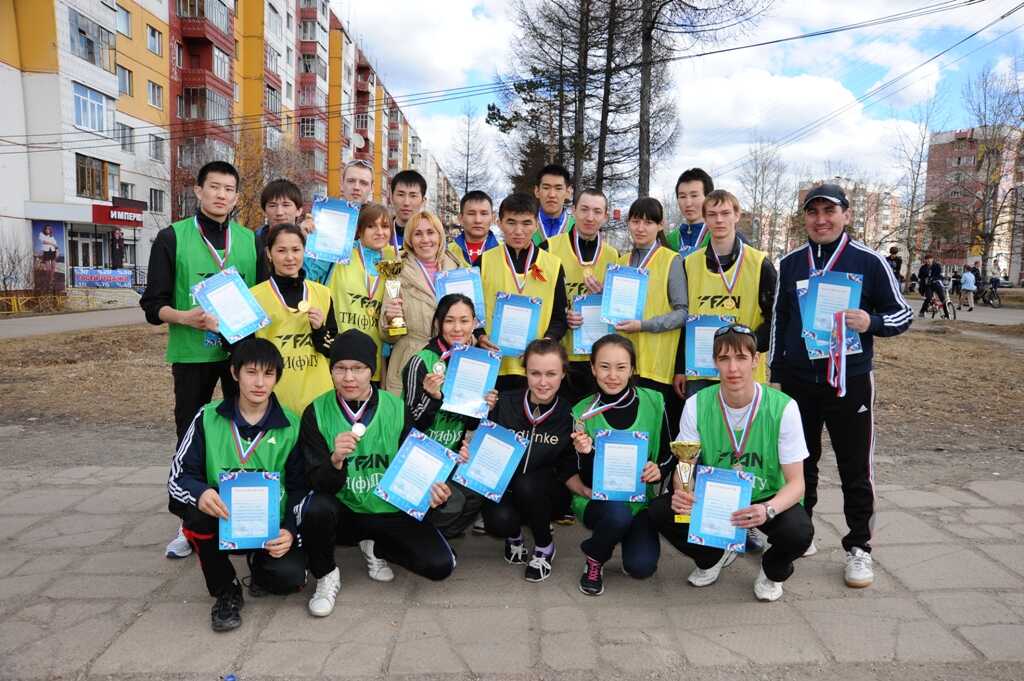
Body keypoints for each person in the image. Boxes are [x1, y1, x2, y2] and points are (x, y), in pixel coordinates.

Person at [769, 183, 912, 588]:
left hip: (850, 380)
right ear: (804, 218)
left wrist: (872, 322)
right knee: (799, 462)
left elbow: (902, 314)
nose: (821, 220)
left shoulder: (869, 261)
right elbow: (779, 321)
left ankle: (859, 547)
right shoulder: (790, 263)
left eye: (829, 211)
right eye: (813, 212)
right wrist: (776, 376)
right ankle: (800, 534)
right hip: (798, 381)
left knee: (855, 466)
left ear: (846, 215)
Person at [141, 160, 267, 559]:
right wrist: (185, 318)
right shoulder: (172, 237)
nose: (221, 195)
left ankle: (244, 517)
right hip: (192, 355)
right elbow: (152, 306)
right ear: (198, 190)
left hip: (239, 355)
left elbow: (264, 297)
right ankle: (189, 523)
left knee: (243, 434)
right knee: (190, 436)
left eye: (229, 189)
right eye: (214, 187)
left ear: (236, 196)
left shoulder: (248, 240)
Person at [298, 330, 457, 618]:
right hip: (345, 512)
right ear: (331, 370)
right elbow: (316, 483)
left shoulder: (395, 408)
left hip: (388, 508)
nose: (349, 377)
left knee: (440, 566)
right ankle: (326, 574)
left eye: (358, 368)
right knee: (315, 509)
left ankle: (377, 548)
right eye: (340, 368)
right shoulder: (316, 411)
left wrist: (433, 493)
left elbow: (415, 466)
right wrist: (335, 460)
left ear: (371, 370)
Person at [649, 324, 813, 601]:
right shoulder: (696, 404)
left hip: (765, 496)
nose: (733, 368)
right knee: (662, 511)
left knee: (798, 532)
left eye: (741, 358)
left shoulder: (784, 407)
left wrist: (767, 509)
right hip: (717, 497)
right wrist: (683, 490)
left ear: (755, 360)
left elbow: (797, 483)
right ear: (715, 363)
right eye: (724, 359)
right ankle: (713, 555)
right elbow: (686, 464)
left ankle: (772, 570)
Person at [167, 338, 307, 631]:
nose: (260, 383)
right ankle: (226, 590)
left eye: (268, 374)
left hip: (271, 524)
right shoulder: (207, 417)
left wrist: (290, 530)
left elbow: (301, 488)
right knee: (194, 513)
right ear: (234, 373)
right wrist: (201, 493)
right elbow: (179, 477)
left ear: (277, 378)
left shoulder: (292, 426)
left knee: (289, 579)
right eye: (251, 372)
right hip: (223, 517)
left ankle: (260, 566)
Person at [566, 334, 674, 596]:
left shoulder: (654, 401)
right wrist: (586, 453)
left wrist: (659, 469)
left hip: (640, 501)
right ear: (593, 368)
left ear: (632, 369)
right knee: (617, 516)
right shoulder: (581, 412)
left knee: (641, 567)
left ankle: (619, 533)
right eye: (604, 367)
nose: (612, 375)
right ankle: (595, 557)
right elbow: (582, 476)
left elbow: (670, 453)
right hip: (597, 501)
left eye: (621, 367)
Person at [470, 338, 575, 582]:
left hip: (547, 495)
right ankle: (514, 534)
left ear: (563, 373)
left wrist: (586, 490)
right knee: (498, 523)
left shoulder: (570, 413)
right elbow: (479, 444)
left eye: (551, 374)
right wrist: (481, 414)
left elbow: (571, 464)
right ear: (525, 371)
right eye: (535, 373)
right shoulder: (503, 403)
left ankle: (544, 546)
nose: (543, 382)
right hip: (506, 489)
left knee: (528, 483)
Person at [402, 294, 498, 538]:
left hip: (453, 452)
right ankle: (417, 539)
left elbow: (471, 422)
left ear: (474, 323)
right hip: (421, 456)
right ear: (438, 323)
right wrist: (432, 397)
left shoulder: (476, 361)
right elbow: (409, 424)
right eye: (449, 321)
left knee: (480, 488)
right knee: (452, 502)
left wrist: (485, 406)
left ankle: (440, 536)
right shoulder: (420, 362)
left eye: (464, 321)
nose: (457, 328)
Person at [674, 190, 777, 400]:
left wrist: (747, 345)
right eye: (712, 214)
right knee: (702, 421)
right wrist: (680, 367)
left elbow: (775, 319)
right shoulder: (689, 263)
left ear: (737, 215)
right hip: (699, 371)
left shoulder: (759, 263)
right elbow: (683, 319)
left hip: (742, 369)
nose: (719, 220)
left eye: (725, 213)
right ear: (705, 218)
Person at [478, 193, 569, 391]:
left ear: (536, 224)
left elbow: (559, 318)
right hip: (493, 366)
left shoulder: (553, 265)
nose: (518, 231)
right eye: (511, 222)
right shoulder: (483, 262)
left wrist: (545, 342)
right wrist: (479, 336)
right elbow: (470, 312)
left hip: (536, 370)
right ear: (499, 223)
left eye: (526, 223)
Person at [612, 197, 685, 436]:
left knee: (655, 433)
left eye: (648, 222)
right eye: (635, 221)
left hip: (657, 364)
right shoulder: (620, 262)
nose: (641, 228)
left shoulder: (671, 260)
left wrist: (644, 325)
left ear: (660, 225)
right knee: (627, 429)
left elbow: (682, 312)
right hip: (624, 364)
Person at [246, 223, 336, 416]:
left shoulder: (323, 293)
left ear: (305, 251)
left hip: (319, 397)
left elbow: (331, 350)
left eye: (296, 250)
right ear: (269, 254)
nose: (289, 257)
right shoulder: (254, 297)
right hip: (275, 397)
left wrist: (319, 329)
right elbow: (245, 352)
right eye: (281, 250)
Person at [380, 210, 464, 395]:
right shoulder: (396, 271)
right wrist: (391, 320)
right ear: (410, 239)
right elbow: (389, 337)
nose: (425, 239)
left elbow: (471, 322)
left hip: (449, 361)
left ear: (440, 235)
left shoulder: (458, 269)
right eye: (418, 234)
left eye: (430, 232)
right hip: (409, 360)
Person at [551, 188, 620, 404]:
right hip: (561, 354)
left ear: (605, 216)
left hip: (599, 357)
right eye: (584, 209)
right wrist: (562, 316)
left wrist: (604, 297)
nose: (590, 217)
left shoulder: (614, 255)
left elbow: (620, 308)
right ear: (573, 210)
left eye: (597, 212)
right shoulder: (550, 248)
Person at [327, 203, 397, 386]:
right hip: (342, 356)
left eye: (385, 226)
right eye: (371, 226)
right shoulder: (341, 254)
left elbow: (396, 306)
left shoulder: (393, 259)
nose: (379, 232)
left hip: (375, 357)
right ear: (359, 230)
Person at [664, 168, 713, 255]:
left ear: (709, 198)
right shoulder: (670, 240)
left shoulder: (719, 236)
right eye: (682, 197)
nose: (688, 203)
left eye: (694, 196)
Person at [449, 190, 499, 267]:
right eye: (471, 214)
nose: (478, 220)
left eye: (484, 214)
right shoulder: (447, 252)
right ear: (460, 218)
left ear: (493, 218)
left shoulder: (505, 252)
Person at [533, 164, 575, 244]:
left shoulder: (577, 228)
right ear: (537, 191)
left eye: (558, 188)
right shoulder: (524, 226)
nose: (552, 195)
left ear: (568, 192)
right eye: (546, 188)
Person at [390, 170, 428, 250]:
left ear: (423, 201)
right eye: (401, 195)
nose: (406, 202)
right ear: (391, 198)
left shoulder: (431, 239)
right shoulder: (380, 234)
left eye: (413, 196)